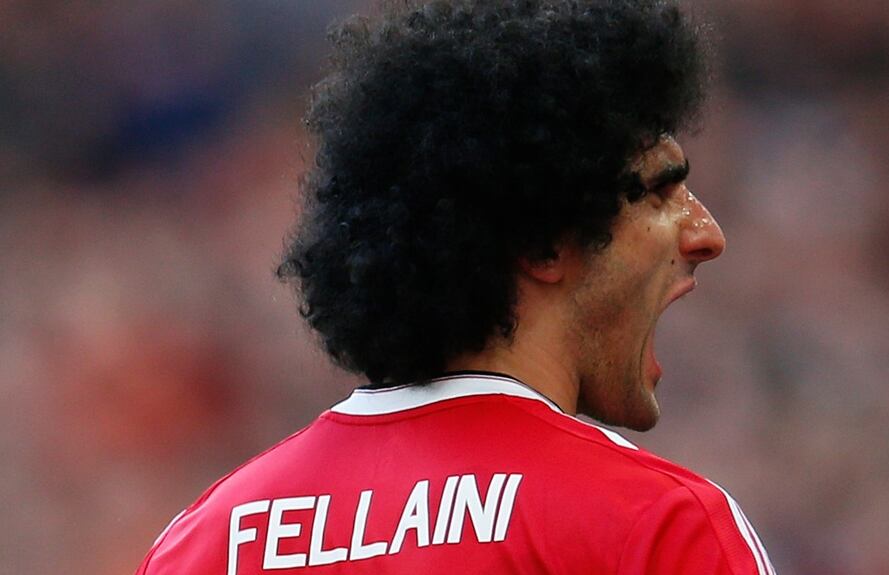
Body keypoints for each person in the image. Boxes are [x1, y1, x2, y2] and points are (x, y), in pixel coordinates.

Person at [136, 0, 777, 573]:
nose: (706, 234)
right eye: (663, 190)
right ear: (546, 242)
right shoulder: (658, 526)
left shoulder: (202, 543)